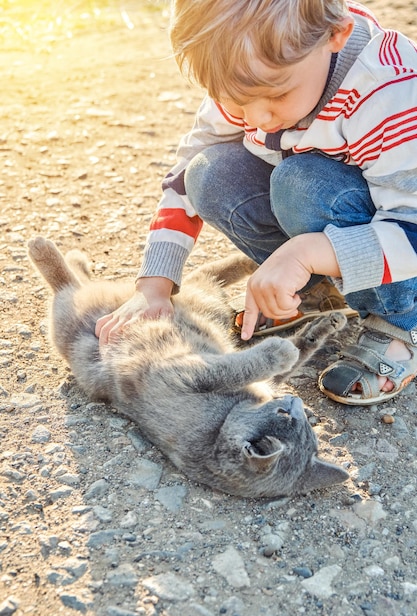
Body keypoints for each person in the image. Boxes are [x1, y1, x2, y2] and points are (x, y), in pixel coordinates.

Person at [95, 0, 417, 406]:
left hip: (400, 231)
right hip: (339, 217)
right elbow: (181, 178)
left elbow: (412, 232)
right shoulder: (250, 74)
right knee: (208, 173)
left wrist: (304, 253)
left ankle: (401, 322)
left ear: (336, 35)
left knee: (300, 181)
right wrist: (154, 285)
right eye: (235, 101)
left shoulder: (389, 89)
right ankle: (314, 292)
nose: (258, 119)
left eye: (276, 96)